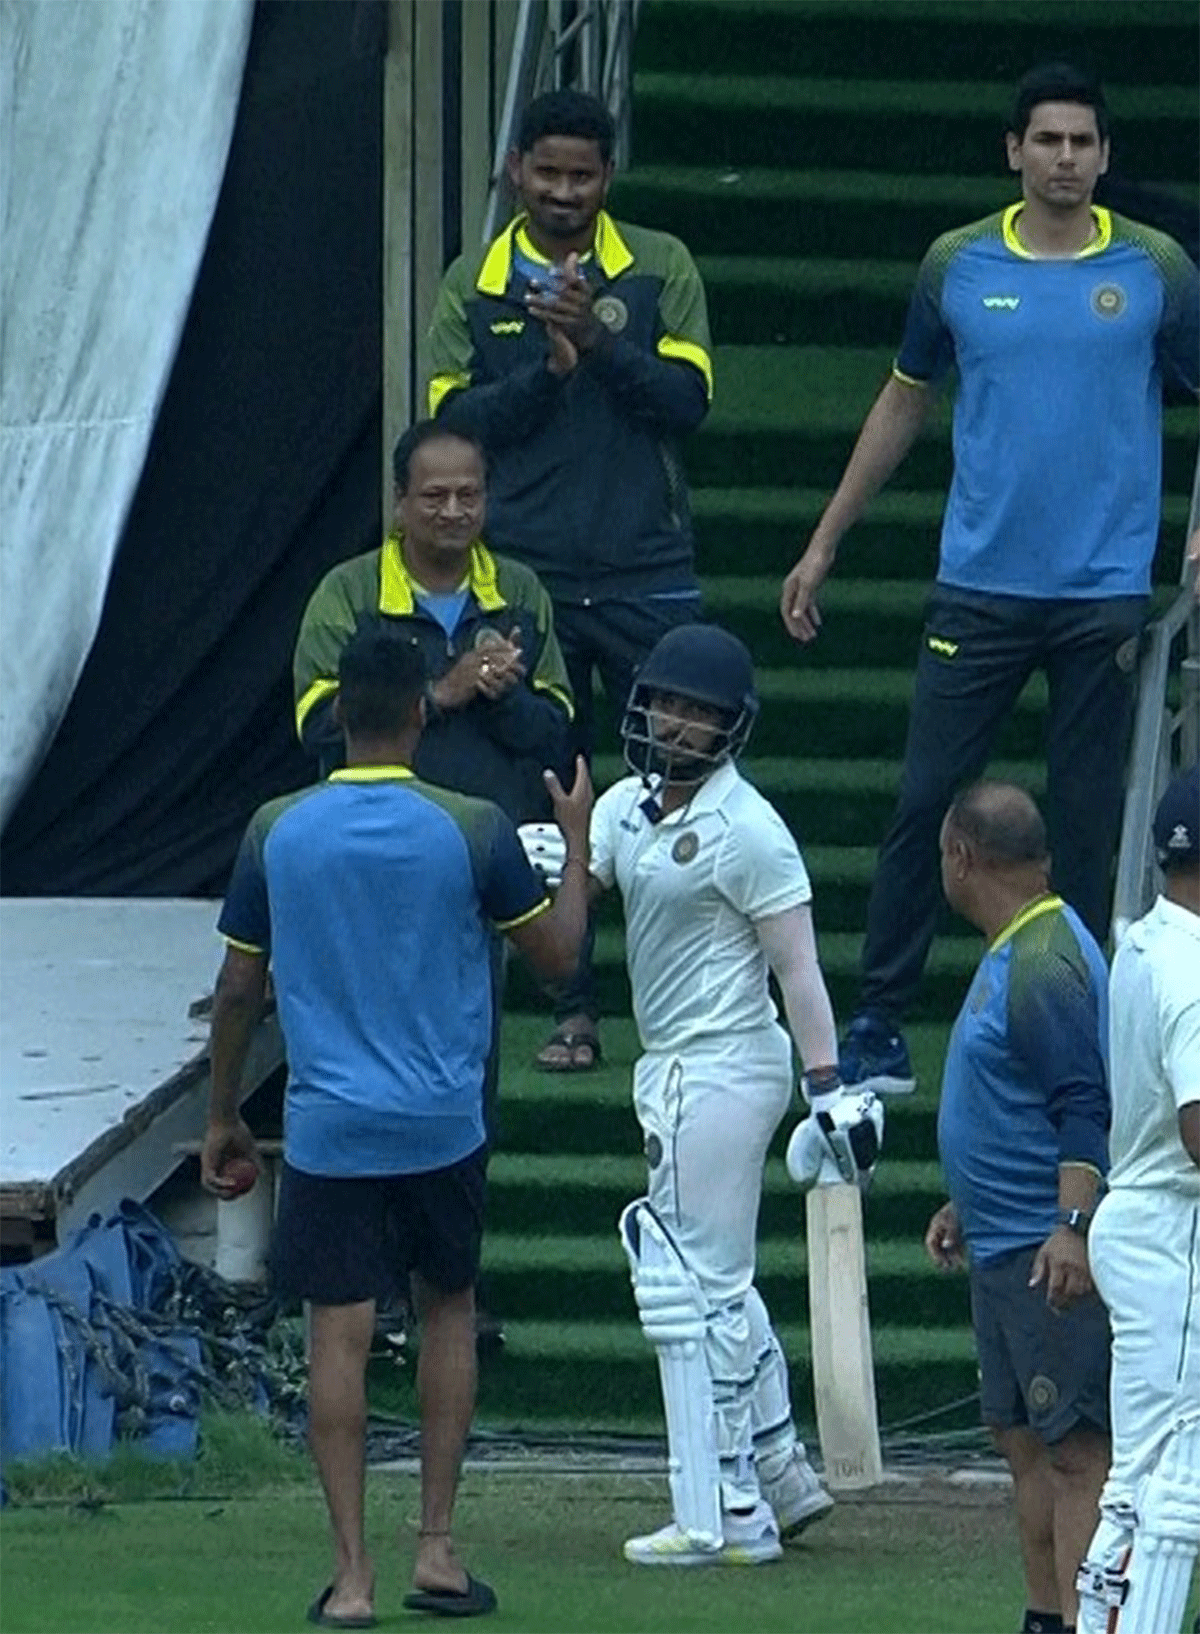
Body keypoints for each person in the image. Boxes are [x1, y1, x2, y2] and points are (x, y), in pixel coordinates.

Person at [779, 61, 1200, 1094]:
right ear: (1014, 150)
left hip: (1102, 591)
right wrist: (827, 536)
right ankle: (879, 1022)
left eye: (1083, 143)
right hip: (980, 586)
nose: (1065, 159)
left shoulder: (1157, 268)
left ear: (1105, 156)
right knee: (927, 799)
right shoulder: (956, 264)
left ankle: (1088, 1019)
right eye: (1047, 141)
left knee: (1090, 818)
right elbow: (904, 399)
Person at [201, 628, 593, 1625]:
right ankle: (437, 1548)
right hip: (439, 1122)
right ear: (421, 712)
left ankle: (352, 1574)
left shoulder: (276, 828)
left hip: (332, 1127)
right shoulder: (472, 825)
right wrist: (580, 842)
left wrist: (222, 1118)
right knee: (446, 1310)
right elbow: (556, 955)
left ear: (337, 717)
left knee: (337, 1333)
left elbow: (241, 983)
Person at [523, 622, 884, 1565]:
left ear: (731, 727)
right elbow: (577, 901)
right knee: (717, 1278)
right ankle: (781, 1471)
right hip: (677, 1065)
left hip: (726, 1063)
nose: (677, 724)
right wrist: (564, 843)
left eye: (698, 712)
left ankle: (724, 1511)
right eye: (667, 705)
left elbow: (797, 970)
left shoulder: (750, 829)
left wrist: (827, 1087)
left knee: (683, 1283)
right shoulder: (628, 810)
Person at [428, 86, 713, 1073]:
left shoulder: (660, 266)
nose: (561, 191)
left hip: (647, 568)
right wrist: (546, 374)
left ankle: (696, 997)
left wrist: (595, 338)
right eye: (545, 172)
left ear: (607, 176)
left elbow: (687, 402)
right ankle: (575, 1007)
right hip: (530, 577)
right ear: (516, 170)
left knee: (684, 781)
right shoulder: (476, 280)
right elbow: (449, 432)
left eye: (580, 175)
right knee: (547, 792)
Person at [924, 781, 1113, 1634]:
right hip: (1003, 1242)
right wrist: (965, 1200)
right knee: (1025, 1443)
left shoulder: (1045, 958)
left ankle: (1087, 1619)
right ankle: (1048, 1616)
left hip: (1046, 1256)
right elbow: (1017, 1098)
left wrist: (1071, 1230)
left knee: (1076, 1455)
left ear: (962, 856)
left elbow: (1083, 1104)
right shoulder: (1020, 946)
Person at [294, 420, 573, 822]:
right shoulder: (348, 593)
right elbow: (317, 723)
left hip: (495, 833)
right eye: (434, 496)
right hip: (378, 829)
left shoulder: (520, 591)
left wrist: (505, 696)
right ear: (399, 500)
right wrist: (435, 694)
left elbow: (555, 732)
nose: (453, 511)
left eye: (469, 495)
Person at [1076, 765, 1200, 1634]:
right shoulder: (1192, 969)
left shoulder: (1148, 937)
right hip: (1175, 1236)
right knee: (1167, 1481)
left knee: (1149, 1477)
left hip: (1149, 1222)